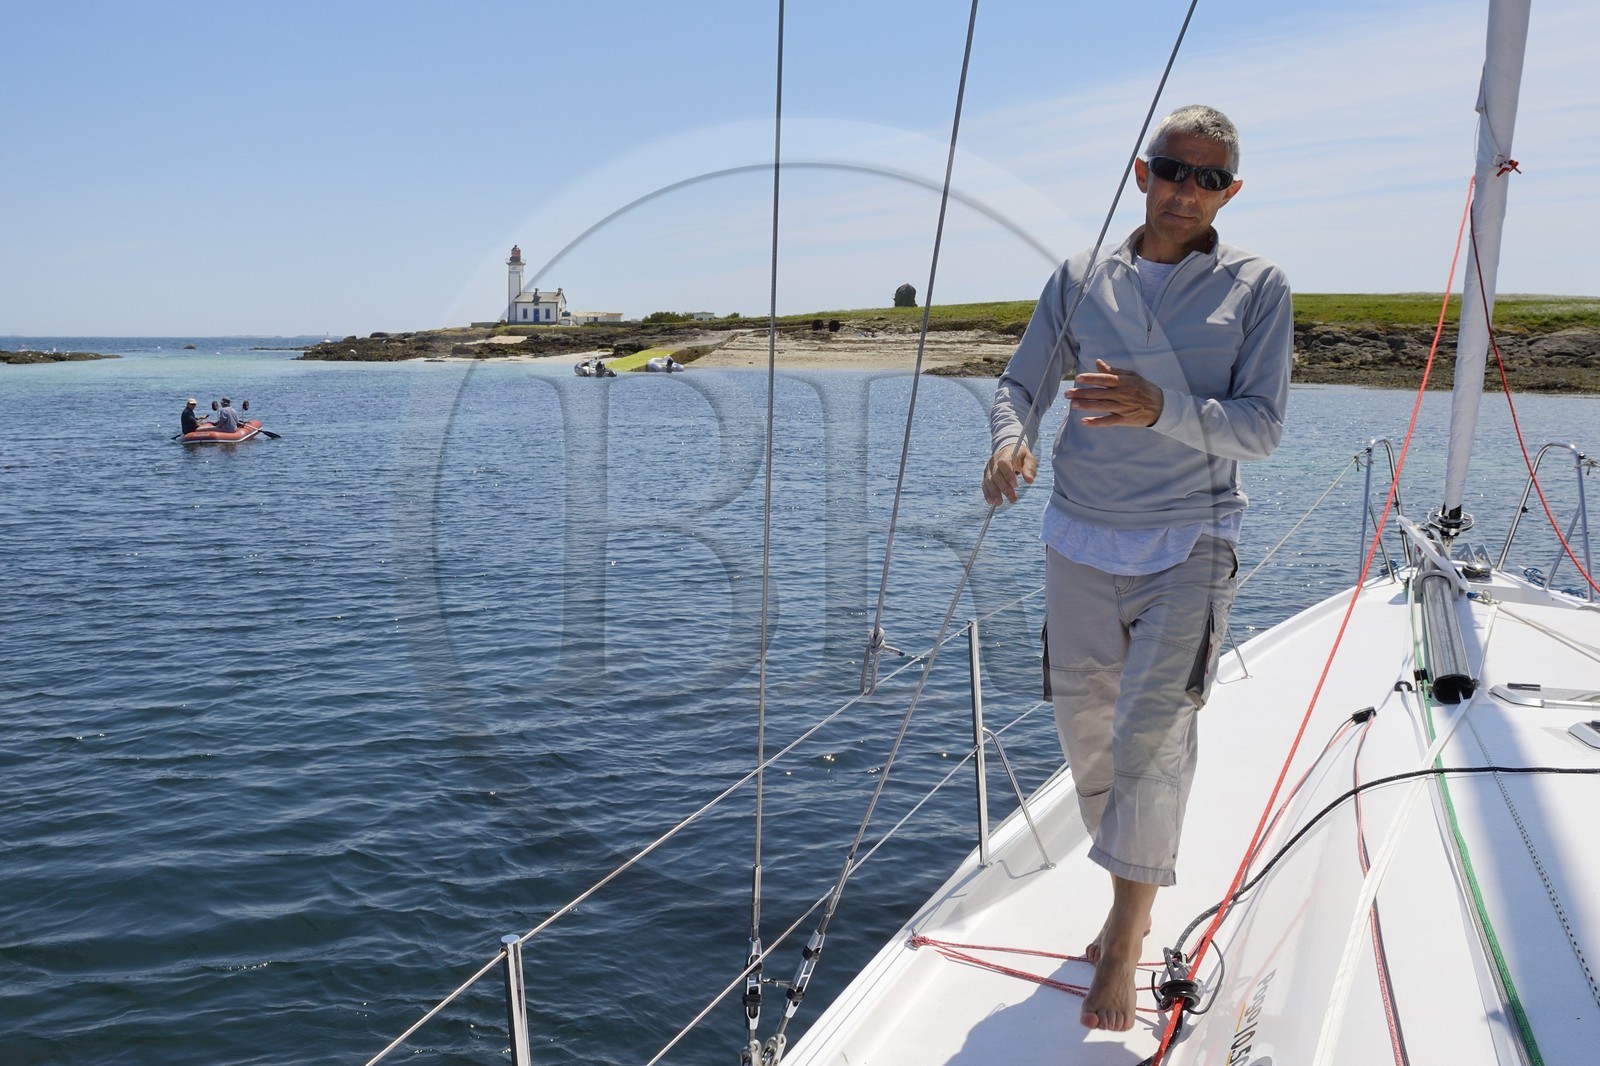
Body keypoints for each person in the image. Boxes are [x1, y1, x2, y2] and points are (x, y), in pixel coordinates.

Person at [982, 105, 1292, 1032]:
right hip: (1078, 538)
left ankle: (1124, 935)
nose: (1187, 190)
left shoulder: (1258, 287)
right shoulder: (1080, 277)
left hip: (1192, 540)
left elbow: (1262, 428)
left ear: (1230, 193)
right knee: (1088, 735)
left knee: (1154, 732)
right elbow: (1020, 384)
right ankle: (1136, 892)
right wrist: (1009, 442)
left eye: (1209, 178)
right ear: (1142, 173)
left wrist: (1162, 407)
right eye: (1173, 170)